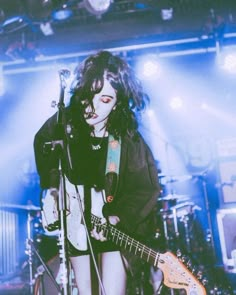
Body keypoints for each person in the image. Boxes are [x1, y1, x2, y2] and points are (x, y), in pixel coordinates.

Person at [34, 50, 161, 295]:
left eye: (105, 100)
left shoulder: (127, 140)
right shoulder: (64, 126)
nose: (93, 107)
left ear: (117, 104)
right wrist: (51, 190)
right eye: (90, 96)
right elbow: (45, 150)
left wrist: (117, 217)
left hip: (113, 230)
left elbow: (145, 188)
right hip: (76, 227)